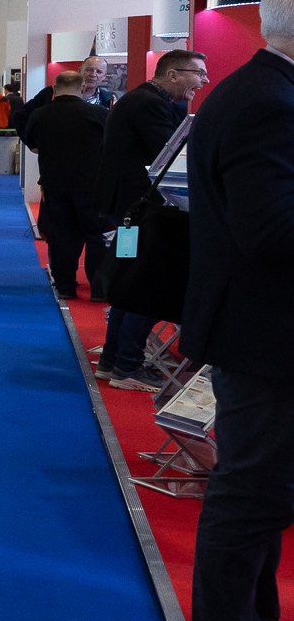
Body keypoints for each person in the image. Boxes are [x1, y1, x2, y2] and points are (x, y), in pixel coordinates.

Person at [182, 0, 294, 621]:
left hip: (260, 327)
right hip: (264, 331)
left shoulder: (261, 92)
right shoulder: (266, 102)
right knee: (252, 491)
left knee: (265, 489)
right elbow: (271, 230)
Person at [96, 50, 210, 389]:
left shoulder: (142, 99)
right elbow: (170, 155)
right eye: (198, 73)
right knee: (146, 284)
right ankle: (128, 365)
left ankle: (113, 360)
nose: (204, 80)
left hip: (131, 210)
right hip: (141, 211)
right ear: (173, 74)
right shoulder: (149, 103)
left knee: (129, 281)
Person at [24, 70, 108, 301]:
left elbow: (33, 144)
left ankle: (65, 287)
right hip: (91, 184)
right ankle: (99, 290)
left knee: (61, 235)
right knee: (96, 236)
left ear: (54, 87)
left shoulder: (39, 114)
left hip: (54, 183)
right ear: (83, 88)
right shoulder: (99, 113)